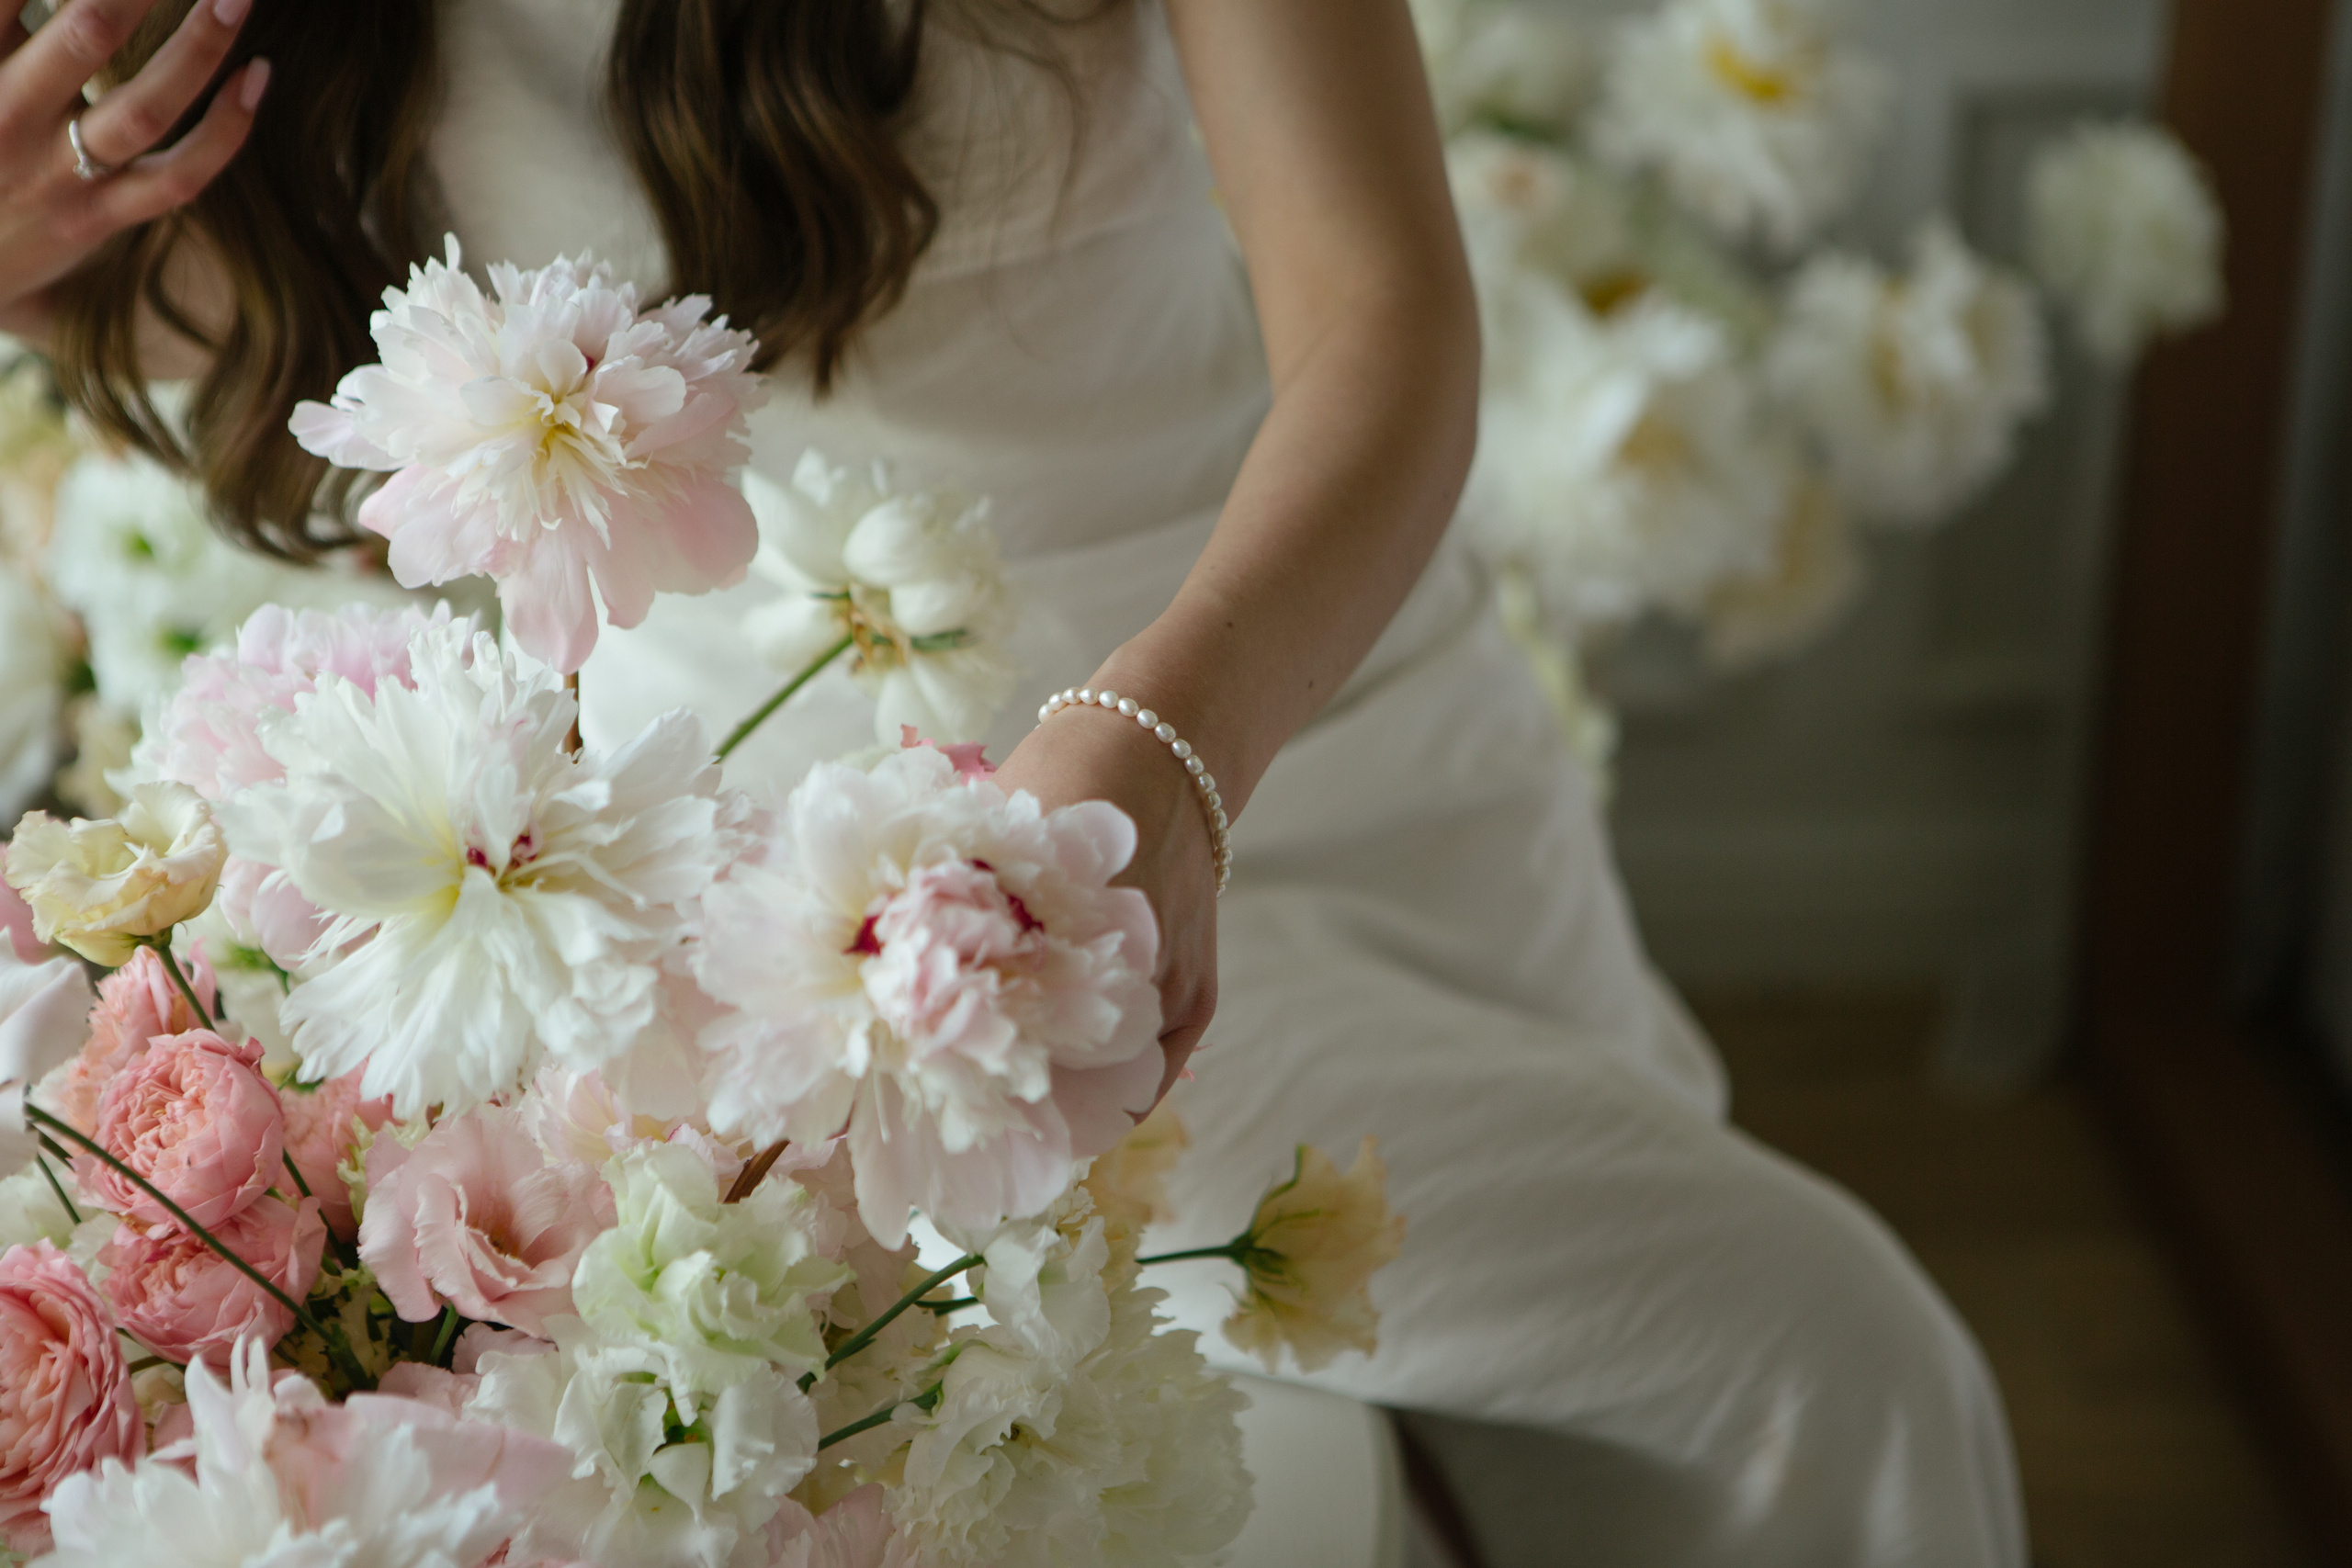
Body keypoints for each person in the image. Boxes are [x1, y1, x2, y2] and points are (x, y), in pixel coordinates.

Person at [0, 1, 2028, 1562]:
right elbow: (280, 322)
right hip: (884, 919)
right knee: (1819, 1353)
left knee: (1616, 1442)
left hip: (1316, 705)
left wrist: (1169, 753)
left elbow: (1387, 317)